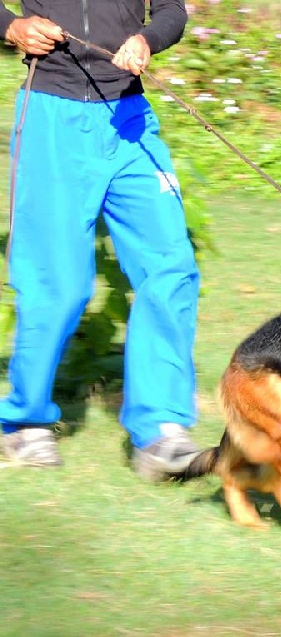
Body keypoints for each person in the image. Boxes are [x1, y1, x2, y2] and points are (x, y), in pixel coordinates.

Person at [0, 1, 203, 480]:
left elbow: (173, 9)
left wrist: (147, 41)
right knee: (60, 285)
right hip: (53, 117)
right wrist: (12, 26)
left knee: (170, 267)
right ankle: (24, 423)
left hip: (130, 120)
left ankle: (162, 431)